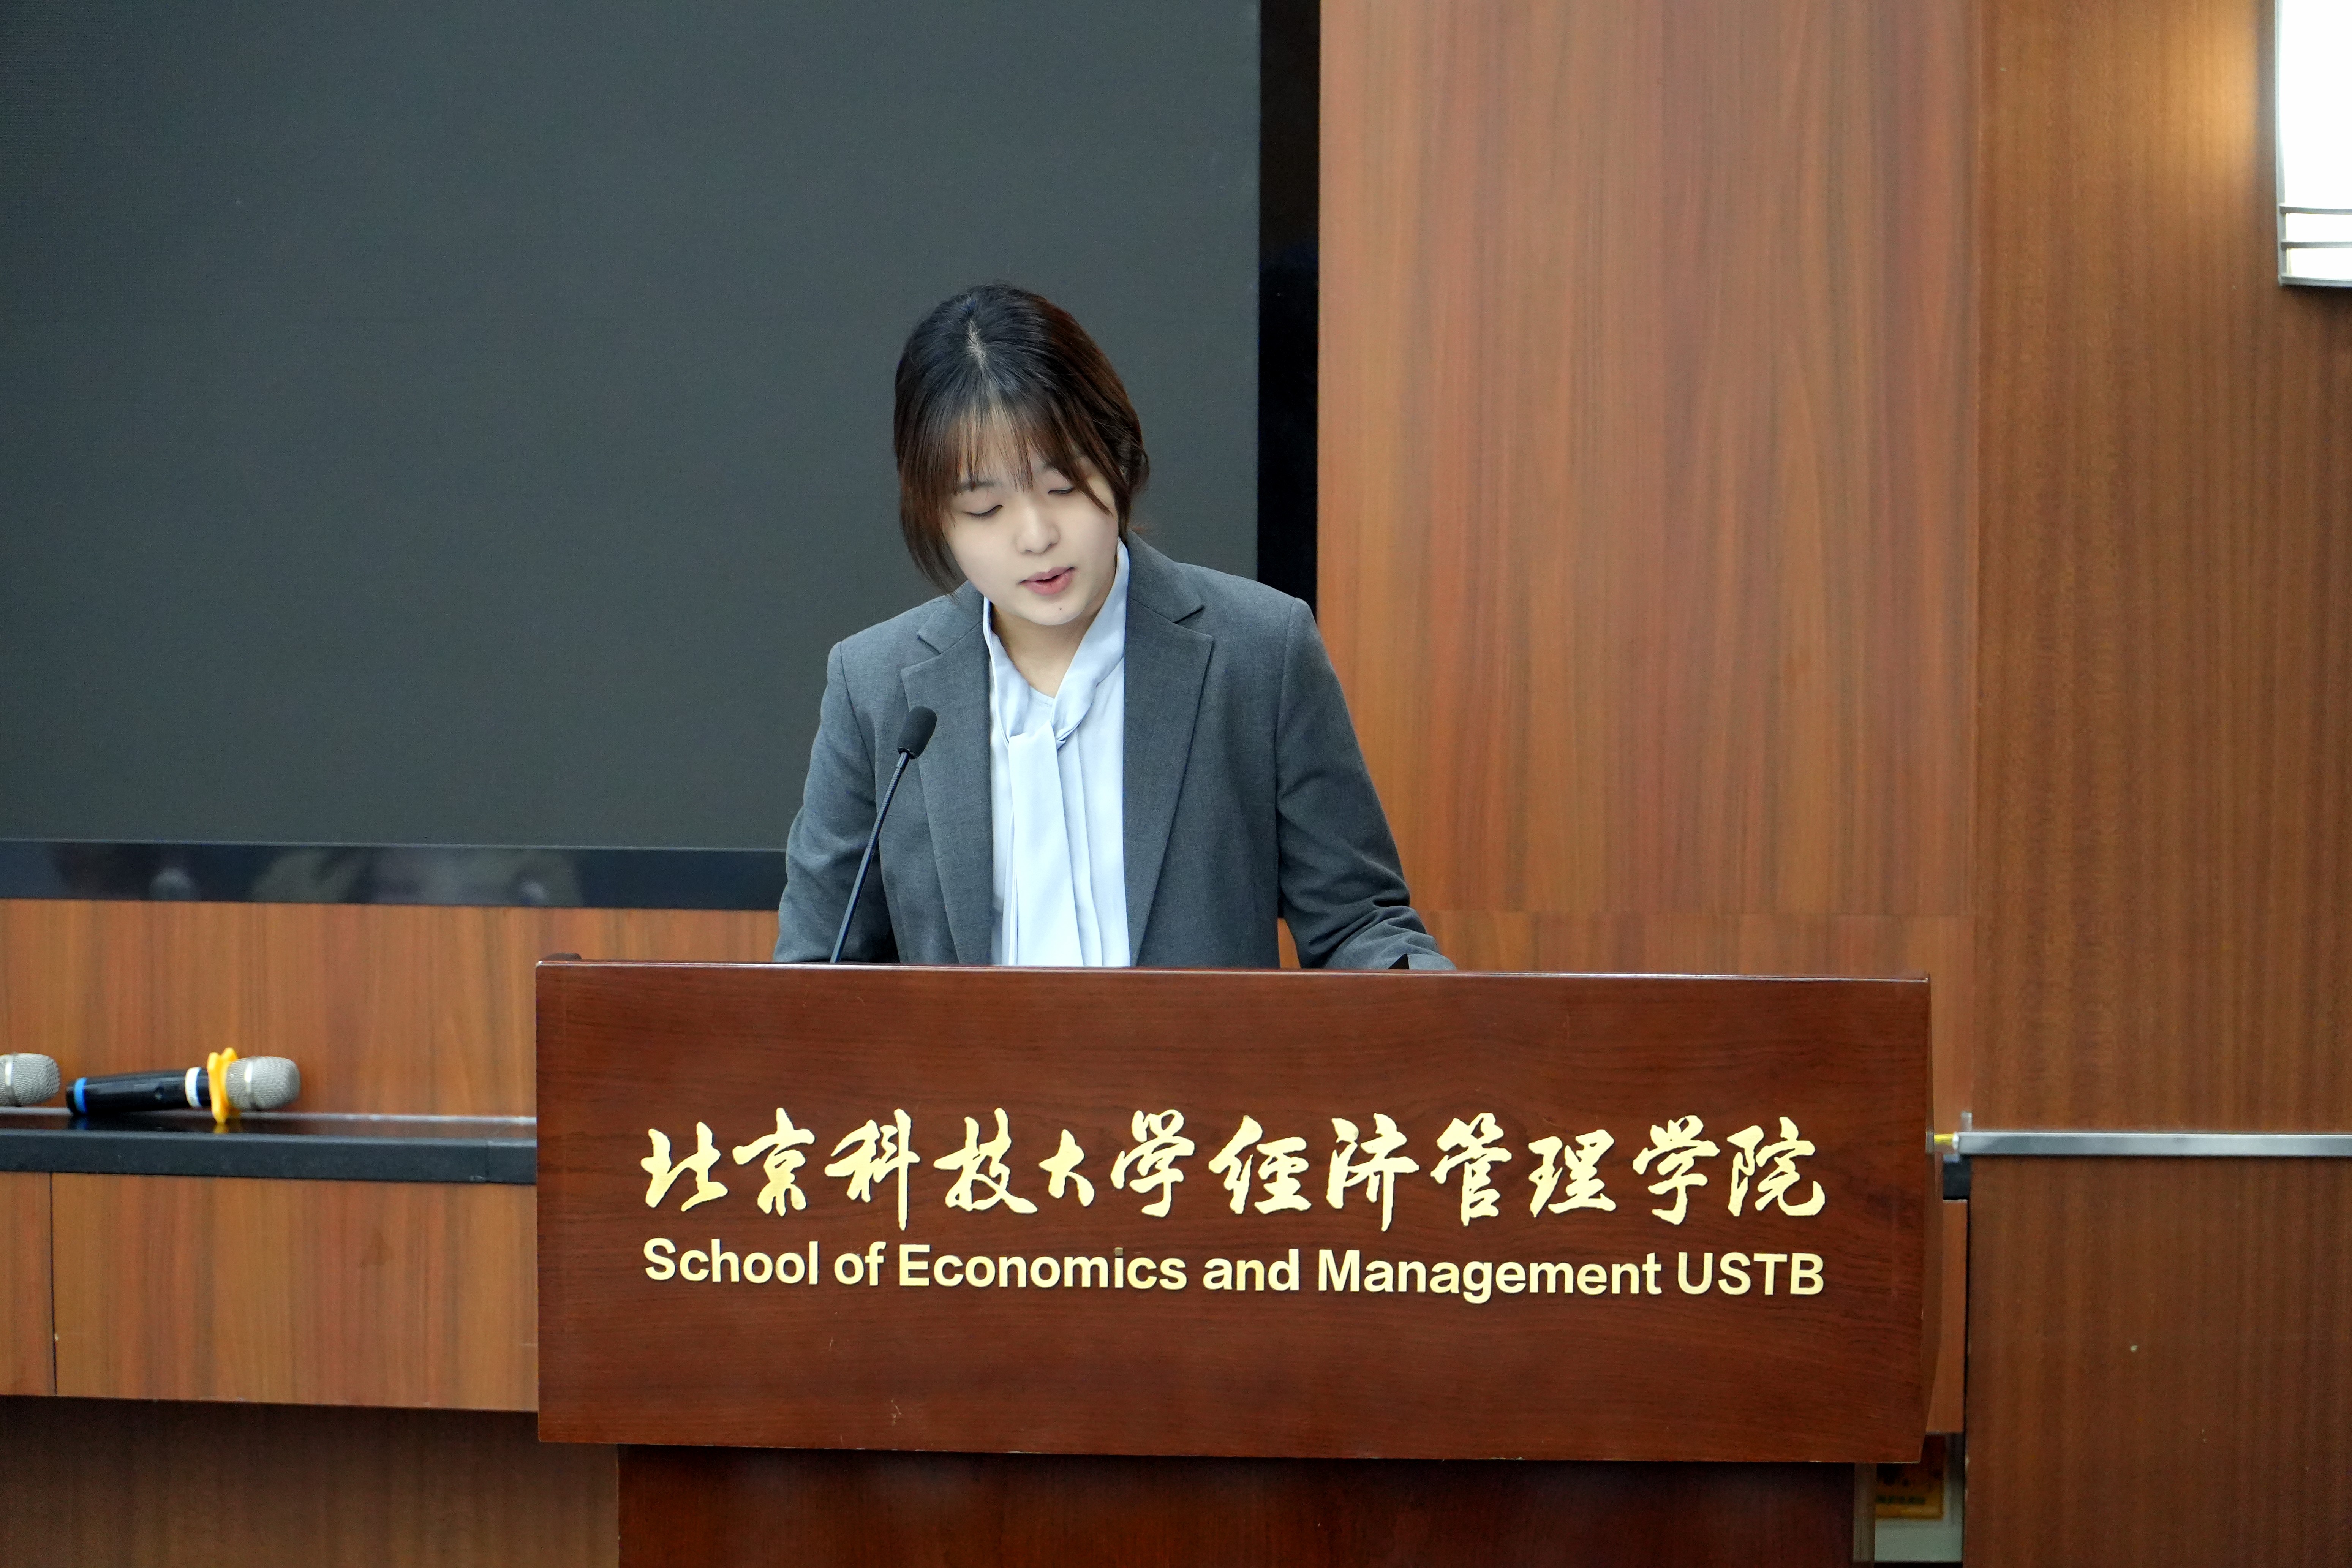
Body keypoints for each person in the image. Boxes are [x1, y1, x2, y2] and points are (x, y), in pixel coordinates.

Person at [773, 283, 1448, 971]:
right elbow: (817, 969)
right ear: (935, 516)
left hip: (1194, 1049)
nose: (1036, 536)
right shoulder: (875, 687)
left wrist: (1440, 1004)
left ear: (1119, 455)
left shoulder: (1261, 651)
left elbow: (1358, 924)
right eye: (985, 510)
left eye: (1063, 487)